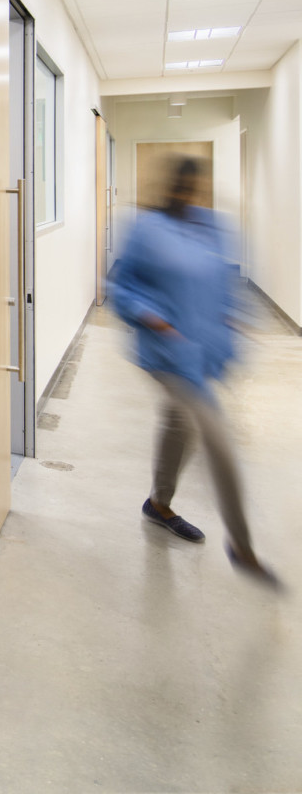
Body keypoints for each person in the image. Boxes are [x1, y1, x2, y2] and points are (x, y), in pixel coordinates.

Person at [108, 157, 280, 590]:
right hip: (167, 354)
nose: (189, 196)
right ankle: (242, 548)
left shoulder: (214, 227)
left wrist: (233, 322)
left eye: (195, 188)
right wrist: (154, 318)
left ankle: (158, 505)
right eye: (182, 188)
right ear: (169, 187)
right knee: (216, 439)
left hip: (206, 354)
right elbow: (120, 286)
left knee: (177, 423)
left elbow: (227, 284)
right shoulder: (145, 229)